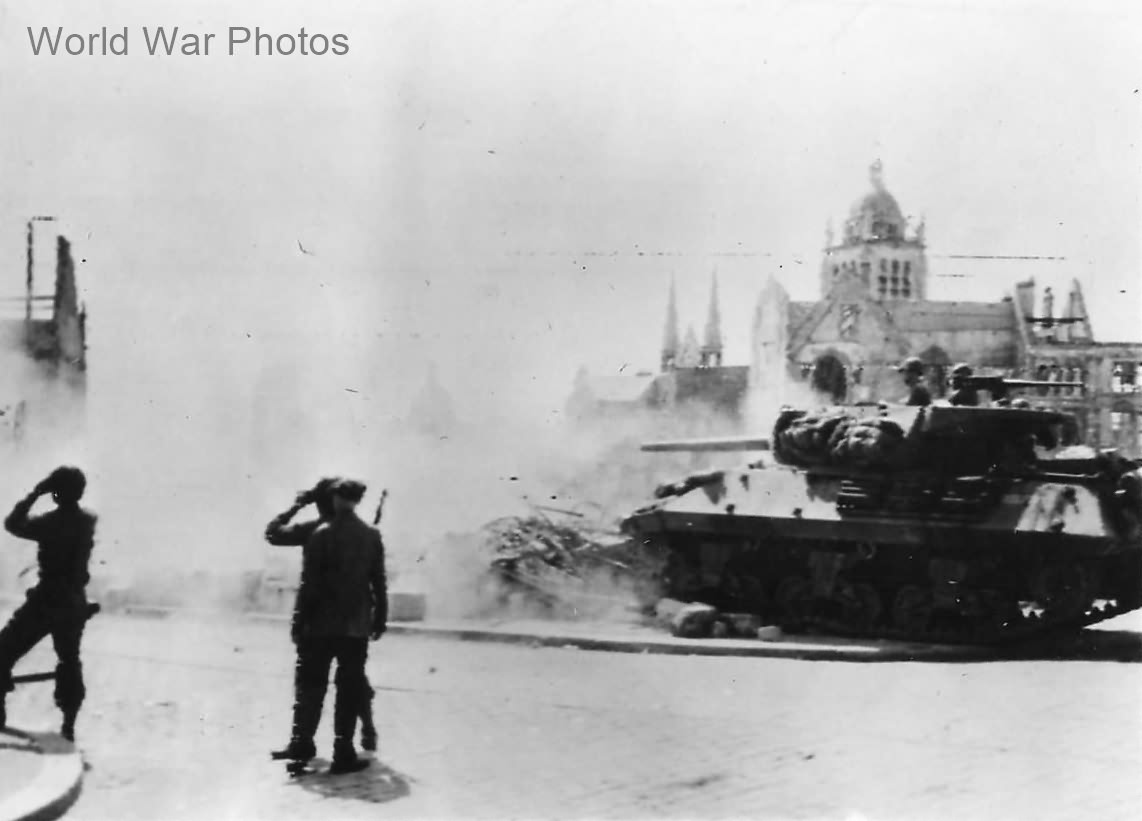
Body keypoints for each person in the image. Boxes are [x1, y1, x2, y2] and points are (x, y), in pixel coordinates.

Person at [270, 478, 387, 775]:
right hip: (354, 627)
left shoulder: (319, 532)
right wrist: (380, 617)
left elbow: (308, 584)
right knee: (348, 690)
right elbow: (378, 582)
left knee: (309, 688)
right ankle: (343, 752)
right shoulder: (371, 534)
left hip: (319, 626)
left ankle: (302, 744)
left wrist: (298, 623)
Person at [0, 466, 97, 741]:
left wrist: (35, 493)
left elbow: (11, 524)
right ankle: (68, 722)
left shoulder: (50, 523)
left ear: (57, 492)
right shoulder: (87, 521)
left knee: (3, 651)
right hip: (74, 602)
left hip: (47, 599)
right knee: (69, 660)